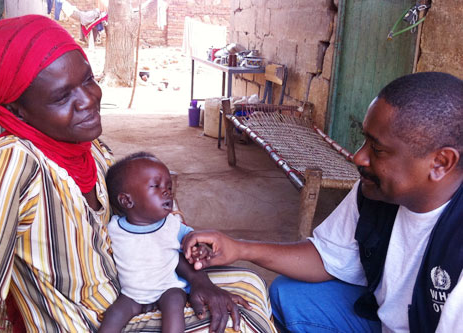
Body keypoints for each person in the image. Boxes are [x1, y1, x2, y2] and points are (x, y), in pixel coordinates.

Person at [0, 15, 277, 333]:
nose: (89, 99)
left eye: (88, 79)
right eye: (63, 97)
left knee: (249, 283)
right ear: (15, 109)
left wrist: (199, 279)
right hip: (87, 322)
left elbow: (147, 227)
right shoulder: (12, 166)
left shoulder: (89, 149)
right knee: (239, 326)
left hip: (127, 293)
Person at [183, 72, 463, 332]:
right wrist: (239, 248)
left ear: (440, 162)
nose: (359, 157)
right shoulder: (376, 191)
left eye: (377, 149)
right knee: (289, 294)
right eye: (364, 140)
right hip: (382, 320)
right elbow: (327, 256)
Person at [100, 152, 220, 332]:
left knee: (174, 304)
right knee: (113, 315)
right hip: (132, 294)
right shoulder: (114, 228)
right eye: (155, 186)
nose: (166, 192)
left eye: (169, 187)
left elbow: (194, 240)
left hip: (168, 287)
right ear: (127, 200)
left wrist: (201, 248)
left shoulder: (172, 224)